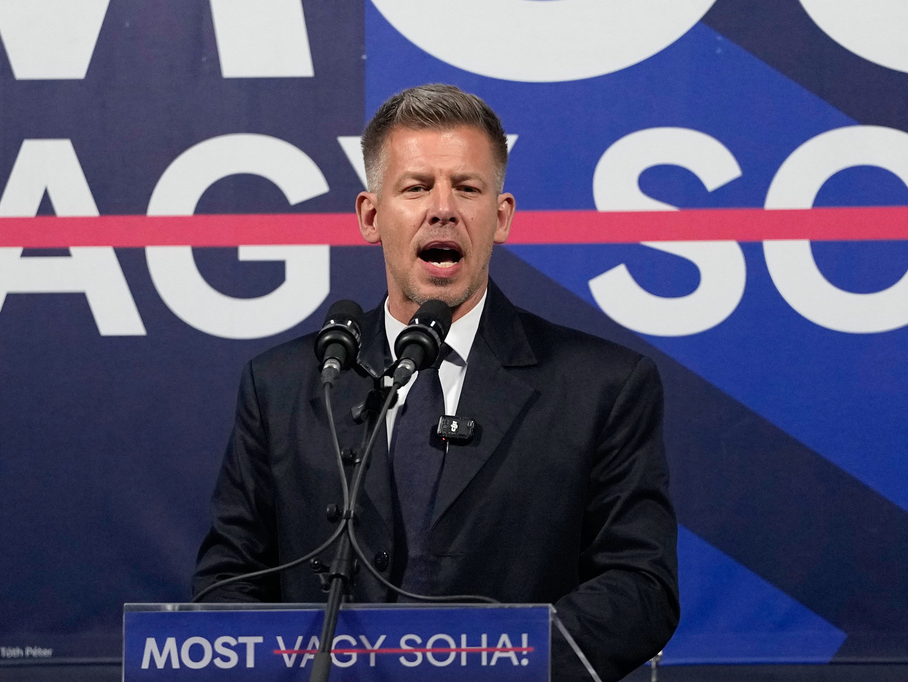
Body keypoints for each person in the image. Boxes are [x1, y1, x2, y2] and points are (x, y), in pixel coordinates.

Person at [193, 83, 679, 681]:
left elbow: (640, 588)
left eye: (467, 188)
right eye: (417, 187)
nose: (443, 208)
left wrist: (493, 666)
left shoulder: (601, 385)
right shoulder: (284, 385)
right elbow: (226, 582)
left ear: (500, 218)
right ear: (372, 217)